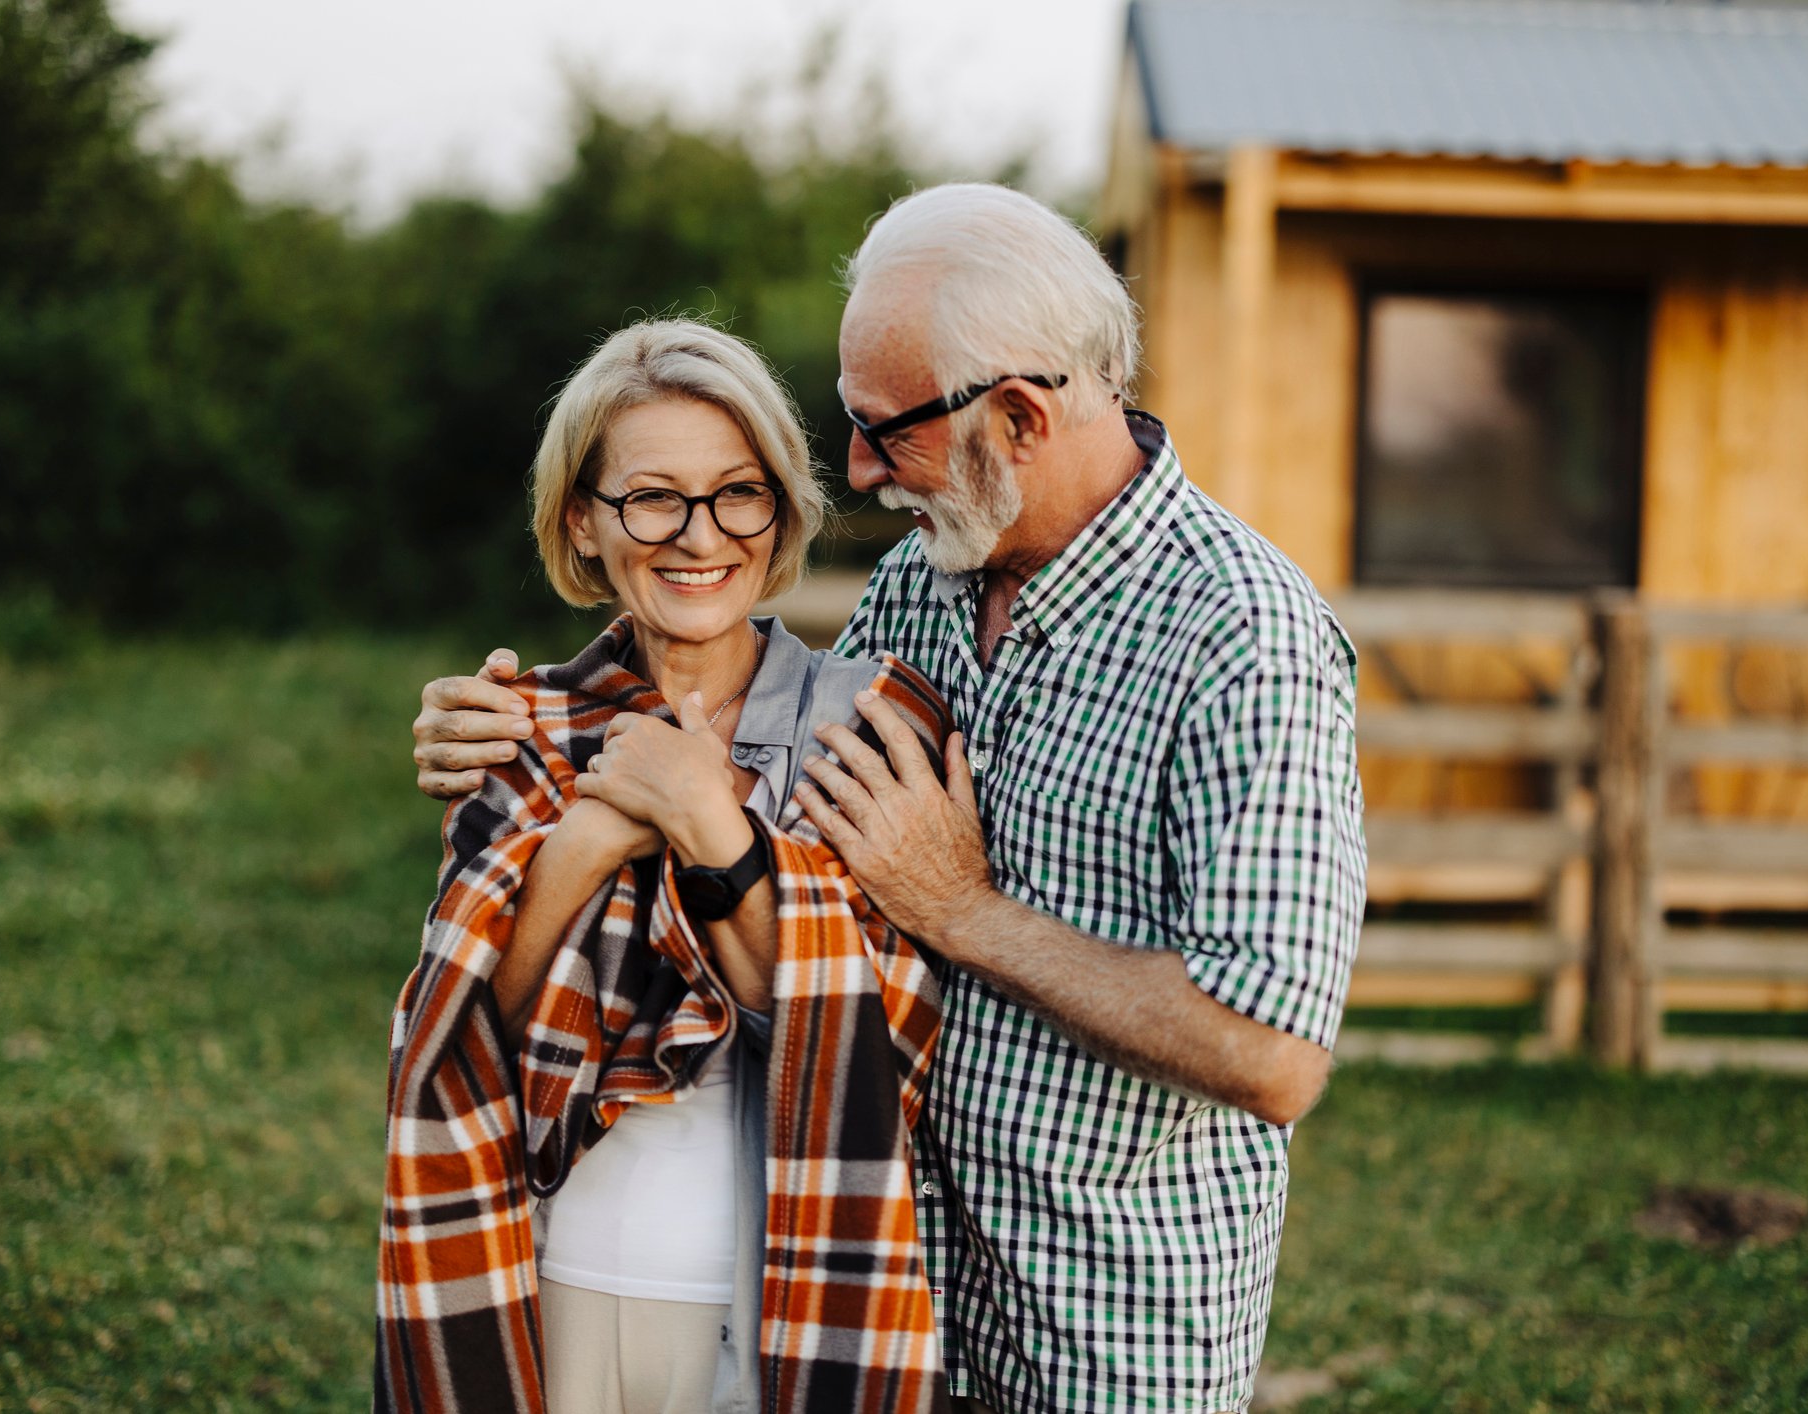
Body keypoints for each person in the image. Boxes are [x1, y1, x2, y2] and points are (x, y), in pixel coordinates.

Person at [412, 186, 1366, 1412]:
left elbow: (1272, 1053)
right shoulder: (927, 580)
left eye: (885, 429)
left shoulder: (1246, 640)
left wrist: (966, 912)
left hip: (1099, 1339)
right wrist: (521, 719)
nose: (859, 470)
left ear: (1019, 414)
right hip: (886, 1298)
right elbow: (760, 775)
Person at [377, 319, 951, 1414]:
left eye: (740, 492)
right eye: (653, 498)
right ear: (586, 522)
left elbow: (869, 1038)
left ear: (780, 508)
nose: (700, 536)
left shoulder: (867, 724)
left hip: (785, 1288)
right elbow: (468, 1035)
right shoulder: (527, 724)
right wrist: (589, 841)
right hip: (557, 1270)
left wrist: (705, 818)